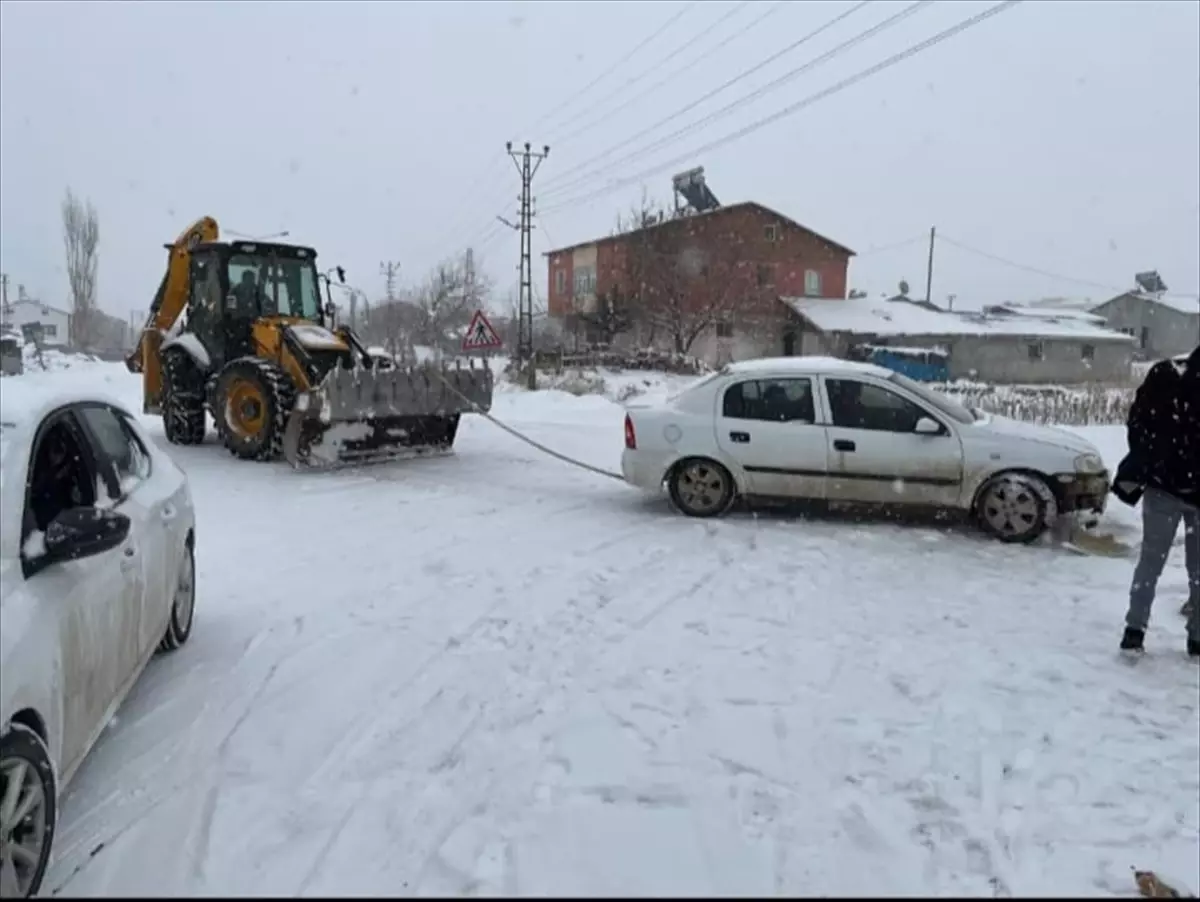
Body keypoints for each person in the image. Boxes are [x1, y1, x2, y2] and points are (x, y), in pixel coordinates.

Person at [1112, 344, 1200, 656]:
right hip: (1178, 488)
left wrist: (1154, 461)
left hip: (1162, 487)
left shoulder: (1164, 373)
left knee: (1150, 562)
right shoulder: (1165, 375)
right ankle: (1197, 639)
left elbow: (1137, 424)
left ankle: (1134, 631)